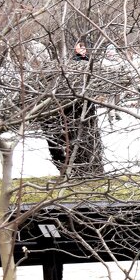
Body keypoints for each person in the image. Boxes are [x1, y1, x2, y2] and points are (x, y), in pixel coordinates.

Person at [42, 39, 104, 178]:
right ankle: (71, 168)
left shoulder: (89, 62)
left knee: (85, 136)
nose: (82, 50)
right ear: (75, 49)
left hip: (86, 105)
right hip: (75, 104)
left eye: (83, 48)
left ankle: (85, 168)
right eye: (79, 48)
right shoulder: (74, 62)